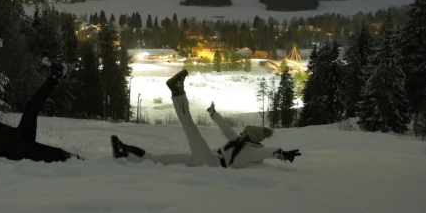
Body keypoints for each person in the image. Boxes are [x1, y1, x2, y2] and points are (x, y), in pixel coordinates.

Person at [111, 69, 301, 169]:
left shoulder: (252, 151)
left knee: (190, 128)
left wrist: (281, 154)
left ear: (252, 137)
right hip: (208, 158)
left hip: (212, 164)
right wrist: (213, 114)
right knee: (161, 160)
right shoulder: (239, 143)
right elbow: (227, 129)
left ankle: (177, 90)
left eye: (245, 132)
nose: (241, 133)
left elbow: (267, 152)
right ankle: (124, 151)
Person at [0, 58, 81, 163]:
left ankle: (55, 76)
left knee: (31, 106)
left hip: (21, 134)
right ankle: (73, 158)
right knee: (48, 152)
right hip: (22, 149)